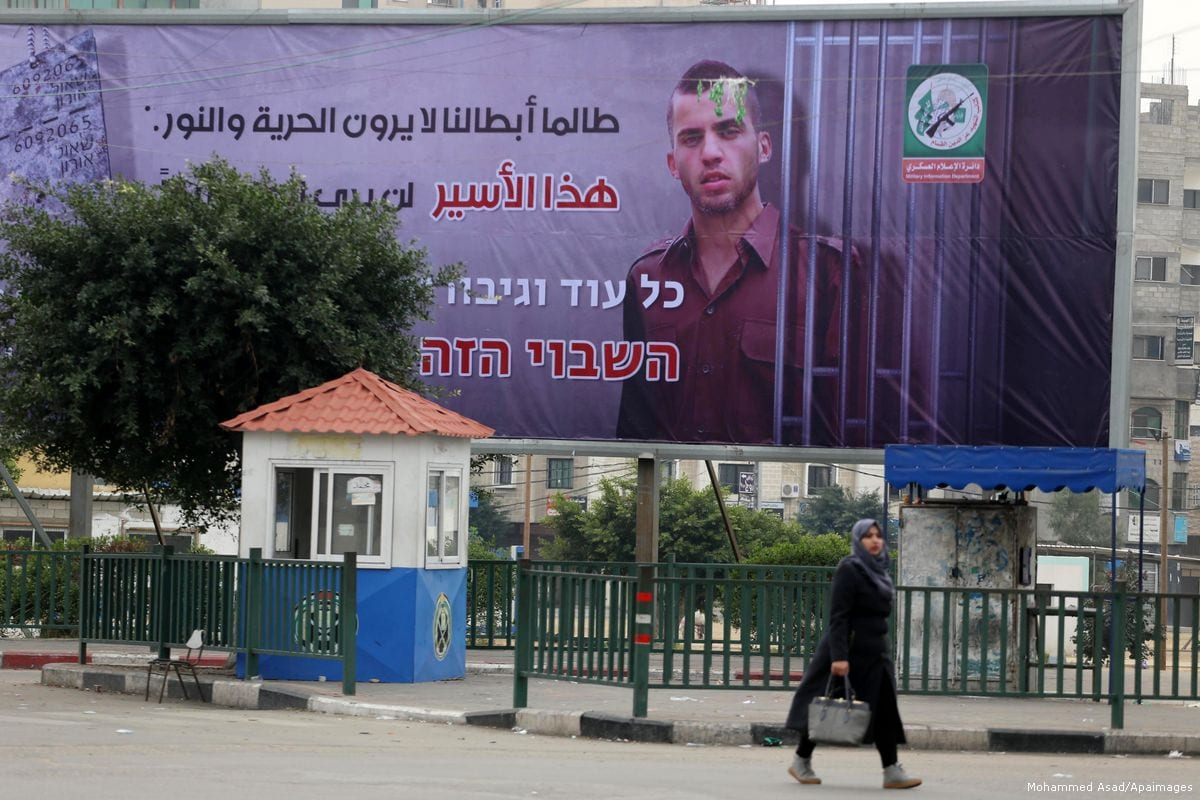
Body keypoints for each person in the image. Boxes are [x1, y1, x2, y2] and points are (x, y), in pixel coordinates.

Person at [615, 59, 857, 445]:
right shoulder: (648, 278)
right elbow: (635, 434)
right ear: (673, 164)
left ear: (763, 147)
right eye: (691, 138)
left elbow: (854, 432)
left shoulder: (827, 272)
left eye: (728, 131)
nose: (711, 152)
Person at [784, 519, 921, 790]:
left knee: (885, 710)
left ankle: (891, 770)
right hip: (848, 651)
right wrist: (839, 657)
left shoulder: (879, 570)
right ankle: (801, 760)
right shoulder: (850, 569)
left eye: (878, 536)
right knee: (825, 706)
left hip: (876, 653)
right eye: (868, 536)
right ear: (858, 541)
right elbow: (839, 617)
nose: (875, 541)